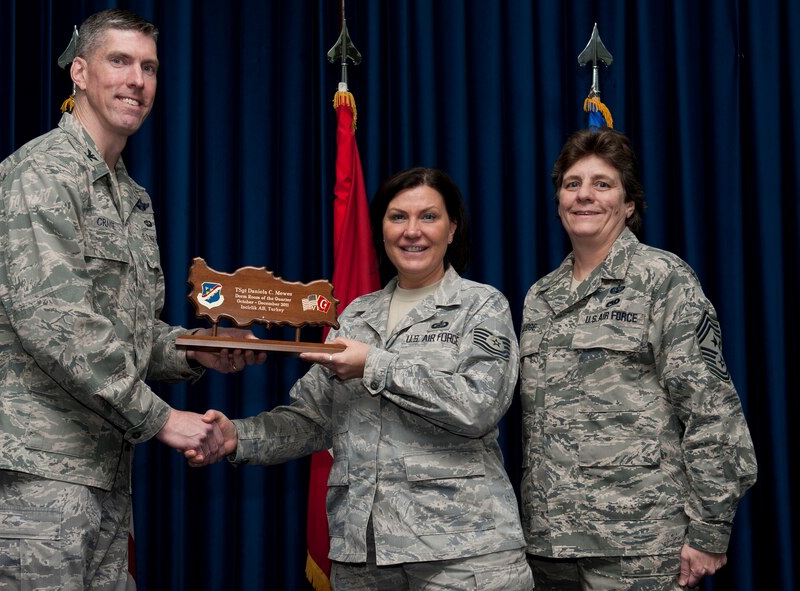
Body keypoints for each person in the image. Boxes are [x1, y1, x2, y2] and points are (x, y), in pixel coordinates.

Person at [0, 9, 262, 590]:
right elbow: (58, 324)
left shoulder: (132, 198)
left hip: (101, 471)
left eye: (148, 67)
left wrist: (201, 349)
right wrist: (161, 418)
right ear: (79, 72)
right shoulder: (42, 172)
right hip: (32, 469)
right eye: (118, 61)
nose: (136, 80)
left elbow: (135, 331)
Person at [193, 167, 533, 590]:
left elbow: (478, 406)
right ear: (381, 229)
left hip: (461, 555)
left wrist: (374, 364)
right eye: (397, 217)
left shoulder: (481, 306)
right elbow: (313, 420)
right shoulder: (354, 315)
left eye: (428, 216)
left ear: (452, 229)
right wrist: (237, 438)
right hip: (363, 557)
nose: (412, 231)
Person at [519, 127, 757, 590]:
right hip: (550, 549)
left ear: (628, 205)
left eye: (602, 184)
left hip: (642, 545)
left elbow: (712, 410)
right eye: (572, 184)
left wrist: (710, 530)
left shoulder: (663, 279)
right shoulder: (539, 297)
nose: (584, 195)